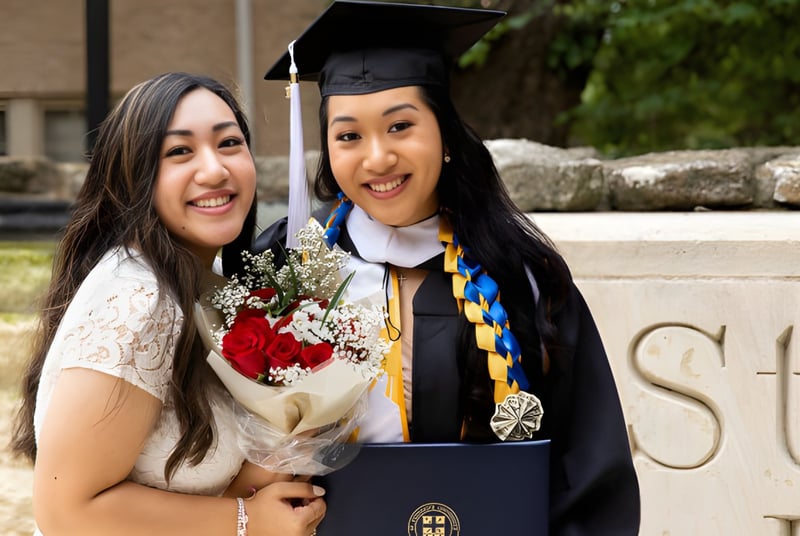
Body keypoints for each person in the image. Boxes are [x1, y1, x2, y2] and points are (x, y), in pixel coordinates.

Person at [253, 1, 640, 534]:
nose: (377, 158)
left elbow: (587, 465)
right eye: (348, 136)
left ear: (446, 134)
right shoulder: (286, 264)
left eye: (400, 126)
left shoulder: (520, 276)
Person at [9, 72, 326, 536]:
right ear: (133, 177)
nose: (215, 169)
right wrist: (248, 521)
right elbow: (65, 513)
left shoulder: (207, 287)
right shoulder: (139, 298)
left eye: (230, 143)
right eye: (179, 151)